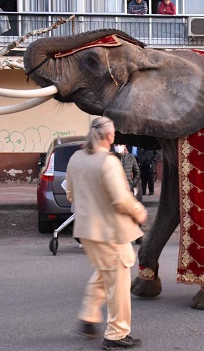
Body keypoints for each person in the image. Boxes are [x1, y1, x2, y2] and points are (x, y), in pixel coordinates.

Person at [66, 117, 147, 349]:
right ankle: (116, 334)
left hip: (87, 230)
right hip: (111, 231)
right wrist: (140, 212)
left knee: (105, 273)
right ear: (110, 136)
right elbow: (121, 199)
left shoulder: (76, 159)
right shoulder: (109, 162)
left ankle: (89, 315)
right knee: (119, 282)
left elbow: (71, 195)